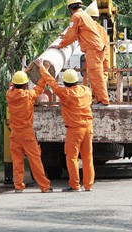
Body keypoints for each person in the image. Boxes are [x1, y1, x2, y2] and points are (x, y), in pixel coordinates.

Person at [37, 61, 95, 192]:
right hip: (88, 127)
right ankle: (88, 185)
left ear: (65, 83)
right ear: (76, 81)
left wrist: (42, 68)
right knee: (87, 157)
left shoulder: (65, 94)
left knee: (72, 157)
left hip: (75, 129)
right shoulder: (86, 90)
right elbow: (87, 83)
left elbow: (51, 83)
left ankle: (75, 185)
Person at [51, 0, 109, 105]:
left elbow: (72, 35)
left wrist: (60, 45)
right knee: (95, 76)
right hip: (95, 49)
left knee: (96, 77)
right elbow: (74, 32)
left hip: (93, 49)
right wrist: (64, 37)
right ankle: (100, 99)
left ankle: (103, 100)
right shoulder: (84, 15)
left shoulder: (76, 16)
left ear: (69, 8)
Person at [6, 68, 52, 193]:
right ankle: (44, 186)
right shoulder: (28, 95)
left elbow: (11, 86)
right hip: (26, 133)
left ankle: (18, 186)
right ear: (26, 84)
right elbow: (40, 87)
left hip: (14, 133)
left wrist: (24, 71)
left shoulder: (9, 95)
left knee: (17, 161)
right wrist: (45, 71)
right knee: (35, 159)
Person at [85, 4, 110, 84]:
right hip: (104, 57)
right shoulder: (102, 29)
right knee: (101, 83)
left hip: (94, 57)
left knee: (91, 82)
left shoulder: (88, 28)